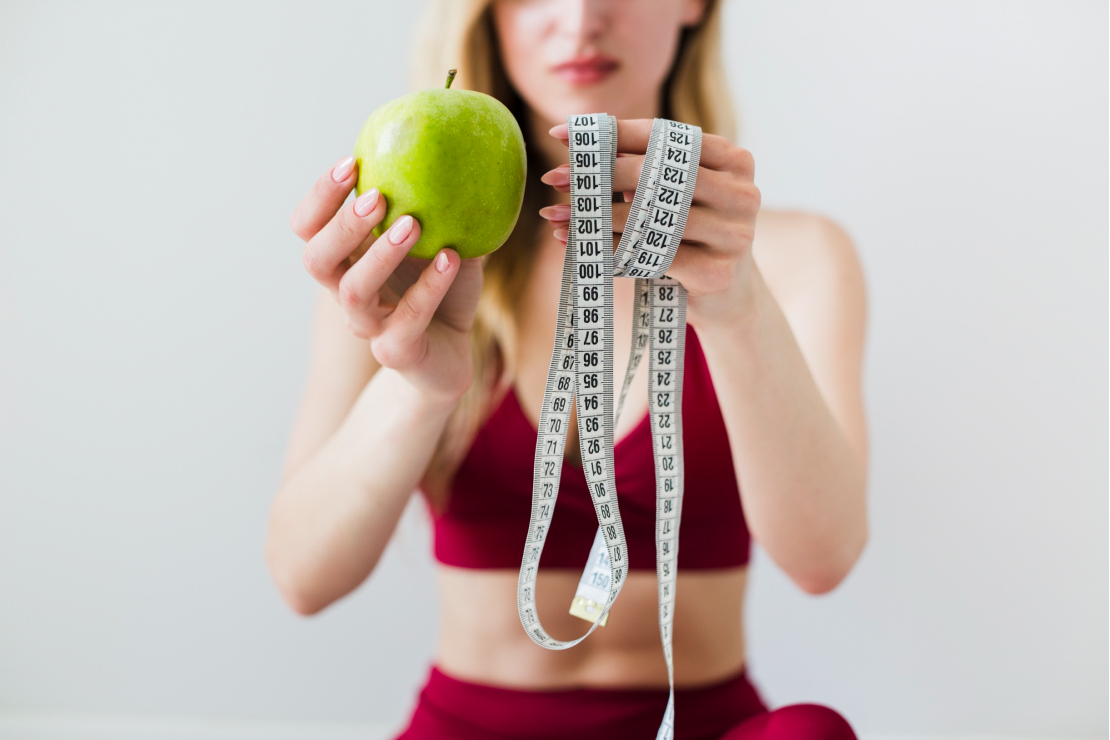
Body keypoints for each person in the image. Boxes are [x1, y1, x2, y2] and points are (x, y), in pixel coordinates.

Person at [267, 1, 869, 737]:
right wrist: (418, 387)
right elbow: (301, 578)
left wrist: (738, 307)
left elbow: (824, 560)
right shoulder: (399, 264)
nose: (580, 19)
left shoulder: (795, 259)